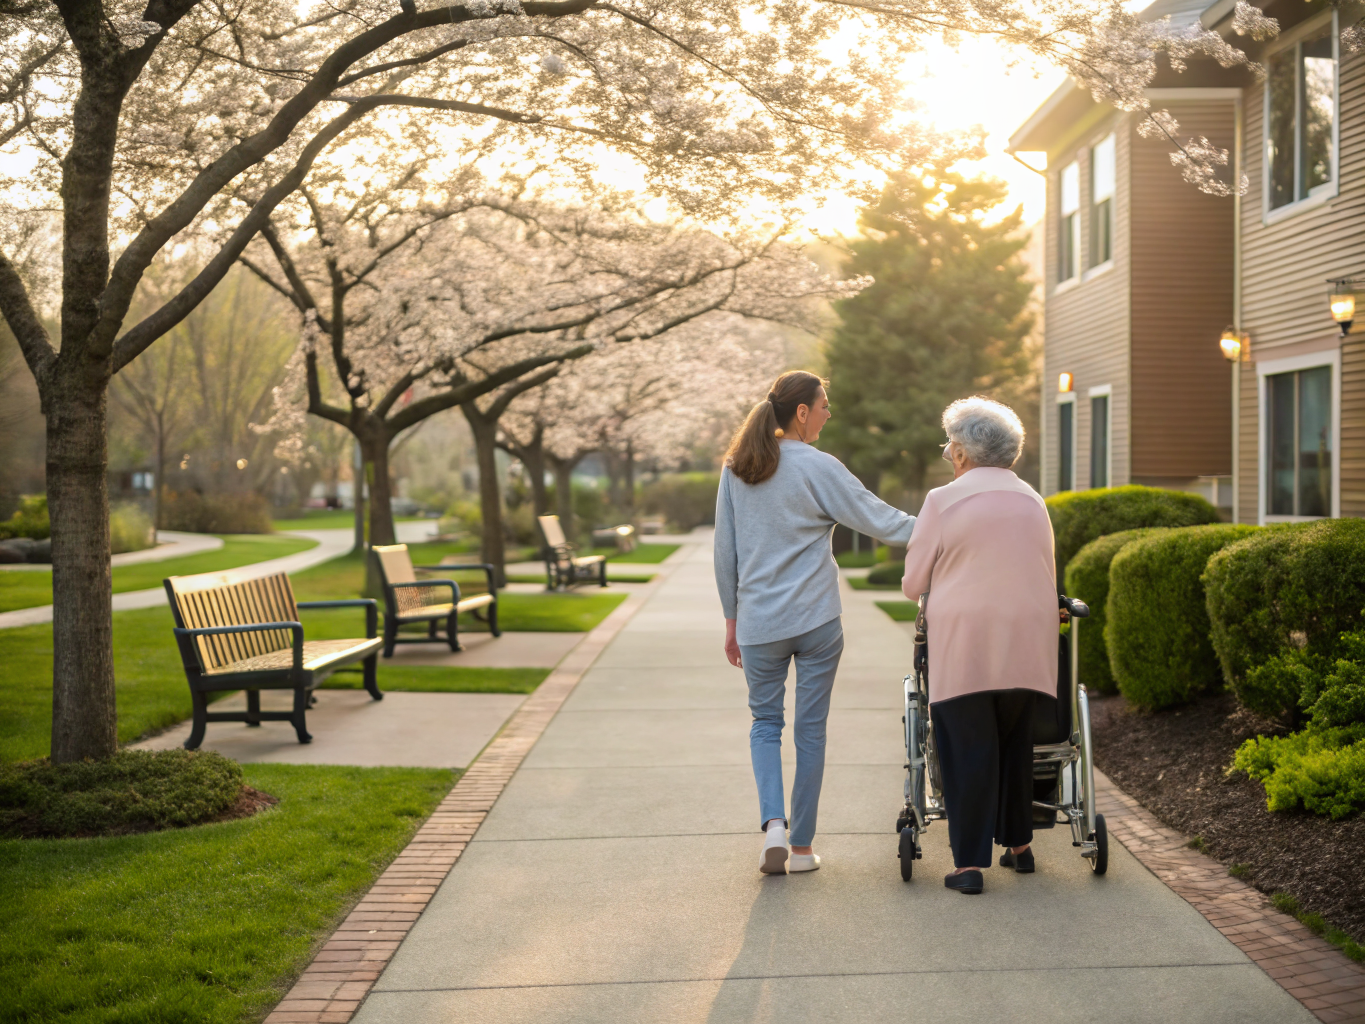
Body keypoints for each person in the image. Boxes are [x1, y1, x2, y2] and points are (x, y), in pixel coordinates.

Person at [715, 370, 916, 875]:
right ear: (801, 411)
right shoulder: (820, 467)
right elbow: (881, 519)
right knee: (810, 731)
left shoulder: (737, 468)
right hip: (817, 622)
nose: (829, 413)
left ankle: (774, 827)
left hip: (759, 623)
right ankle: (801, 849)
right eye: (824, 404)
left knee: (764, 725)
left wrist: (731, 621)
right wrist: (949, 522)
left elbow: (726, 554)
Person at [901, 396, 1058, 895]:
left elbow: (912, 583)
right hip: (1028, 642)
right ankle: (1020, 847)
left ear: (964, 453)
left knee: (968, 751)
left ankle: (969, 866)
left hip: (967, 643)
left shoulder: (942, 501)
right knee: (1015, 744)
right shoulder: (1033, 500)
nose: (949, 454)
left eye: (950, 445)